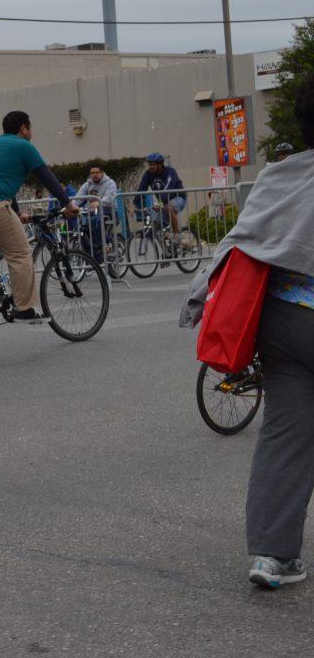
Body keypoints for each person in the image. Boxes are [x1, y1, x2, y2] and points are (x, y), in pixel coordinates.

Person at [180, 73, 314, 589]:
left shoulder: (278, 177)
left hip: (282, 322)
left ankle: (272, 556)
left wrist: (198, 297)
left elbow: (239, 241)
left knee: (285, 432)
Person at [0, 110, 79, 323]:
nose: (31, 131)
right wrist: (67, 203)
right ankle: (25, 309)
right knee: (21, 252)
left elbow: (2, 180)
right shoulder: (24, 146)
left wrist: (18, 211)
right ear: (23, 128)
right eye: (30, 127)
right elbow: (46, 177)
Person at [136, 153, 185, 238]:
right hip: (163, 202)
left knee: (169, 208)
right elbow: (141, 189)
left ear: (160, 164)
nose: (150, 166)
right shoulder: (148, 174)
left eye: (153, 164)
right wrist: (135, 205)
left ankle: (177, 235)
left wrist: (160, 204)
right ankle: (168, 247)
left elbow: (168, 189)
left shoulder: (170, 172)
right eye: (149, 164)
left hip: (178, 198)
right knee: (155, 223)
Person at [76, 165, 119, 262]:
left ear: (102, 173)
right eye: (92, 173)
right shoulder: (87, 185)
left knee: (97, 222)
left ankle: (104, 248)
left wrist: (99, 202)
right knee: (83, 229)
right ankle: (91, 256)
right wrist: (69, 207)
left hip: (109, 213)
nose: (94, 175)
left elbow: (109, 198)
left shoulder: (110, 183)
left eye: (97, 172)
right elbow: (78, 199)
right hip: (92, 214)